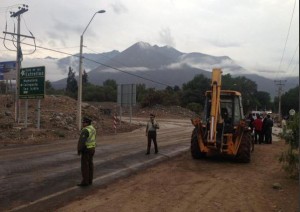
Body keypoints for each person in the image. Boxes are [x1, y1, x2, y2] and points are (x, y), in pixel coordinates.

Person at [77, 117, 97, 187]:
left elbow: (82, 141)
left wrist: (79, 149)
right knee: (90, 165)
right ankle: (90, 180)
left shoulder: (85, 130)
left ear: (87, 123)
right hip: (92, 148)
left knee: (85, 166)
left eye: (84, 122)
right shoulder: (93, 128)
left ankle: (85, 182)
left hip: (86, 150)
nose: (83, 124)